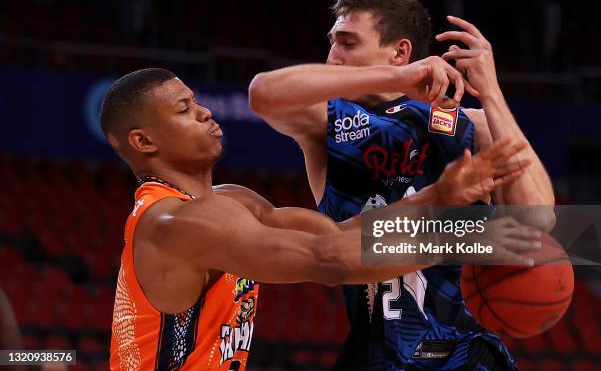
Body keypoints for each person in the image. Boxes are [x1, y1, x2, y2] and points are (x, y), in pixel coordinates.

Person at [100, 68, 536, 370]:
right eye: (184, 109)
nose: (205, 112)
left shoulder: (230, 202)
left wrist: (438, 197)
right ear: (143, 141)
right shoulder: (177, 224)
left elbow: (340, 234)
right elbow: (330, 260)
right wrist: (462, 232)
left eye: (197, 102)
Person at [249, 0, 555, 370]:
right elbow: (262, 94)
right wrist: (398, 77)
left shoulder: (471, 125)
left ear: (400, 50)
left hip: (466, 355)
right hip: (377, 354)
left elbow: (539, 222)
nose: (333, 57)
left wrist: (490, 93)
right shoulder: (326, 121)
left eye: (348, 43)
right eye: (332, 43)